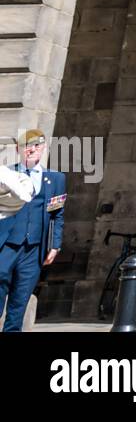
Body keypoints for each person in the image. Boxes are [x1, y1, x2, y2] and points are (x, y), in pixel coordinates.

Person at [0, 130, 66, 332]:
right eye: (27, 145)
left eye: (37, 145)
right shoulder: (7, 174)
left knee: (20, 300)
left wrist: (55, 245)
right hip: (6, 245)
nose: (32, 149)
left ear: (43, 147)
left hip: (33, 249)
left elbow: (58, 214)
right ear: (19, 149)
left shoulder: (55, 179)